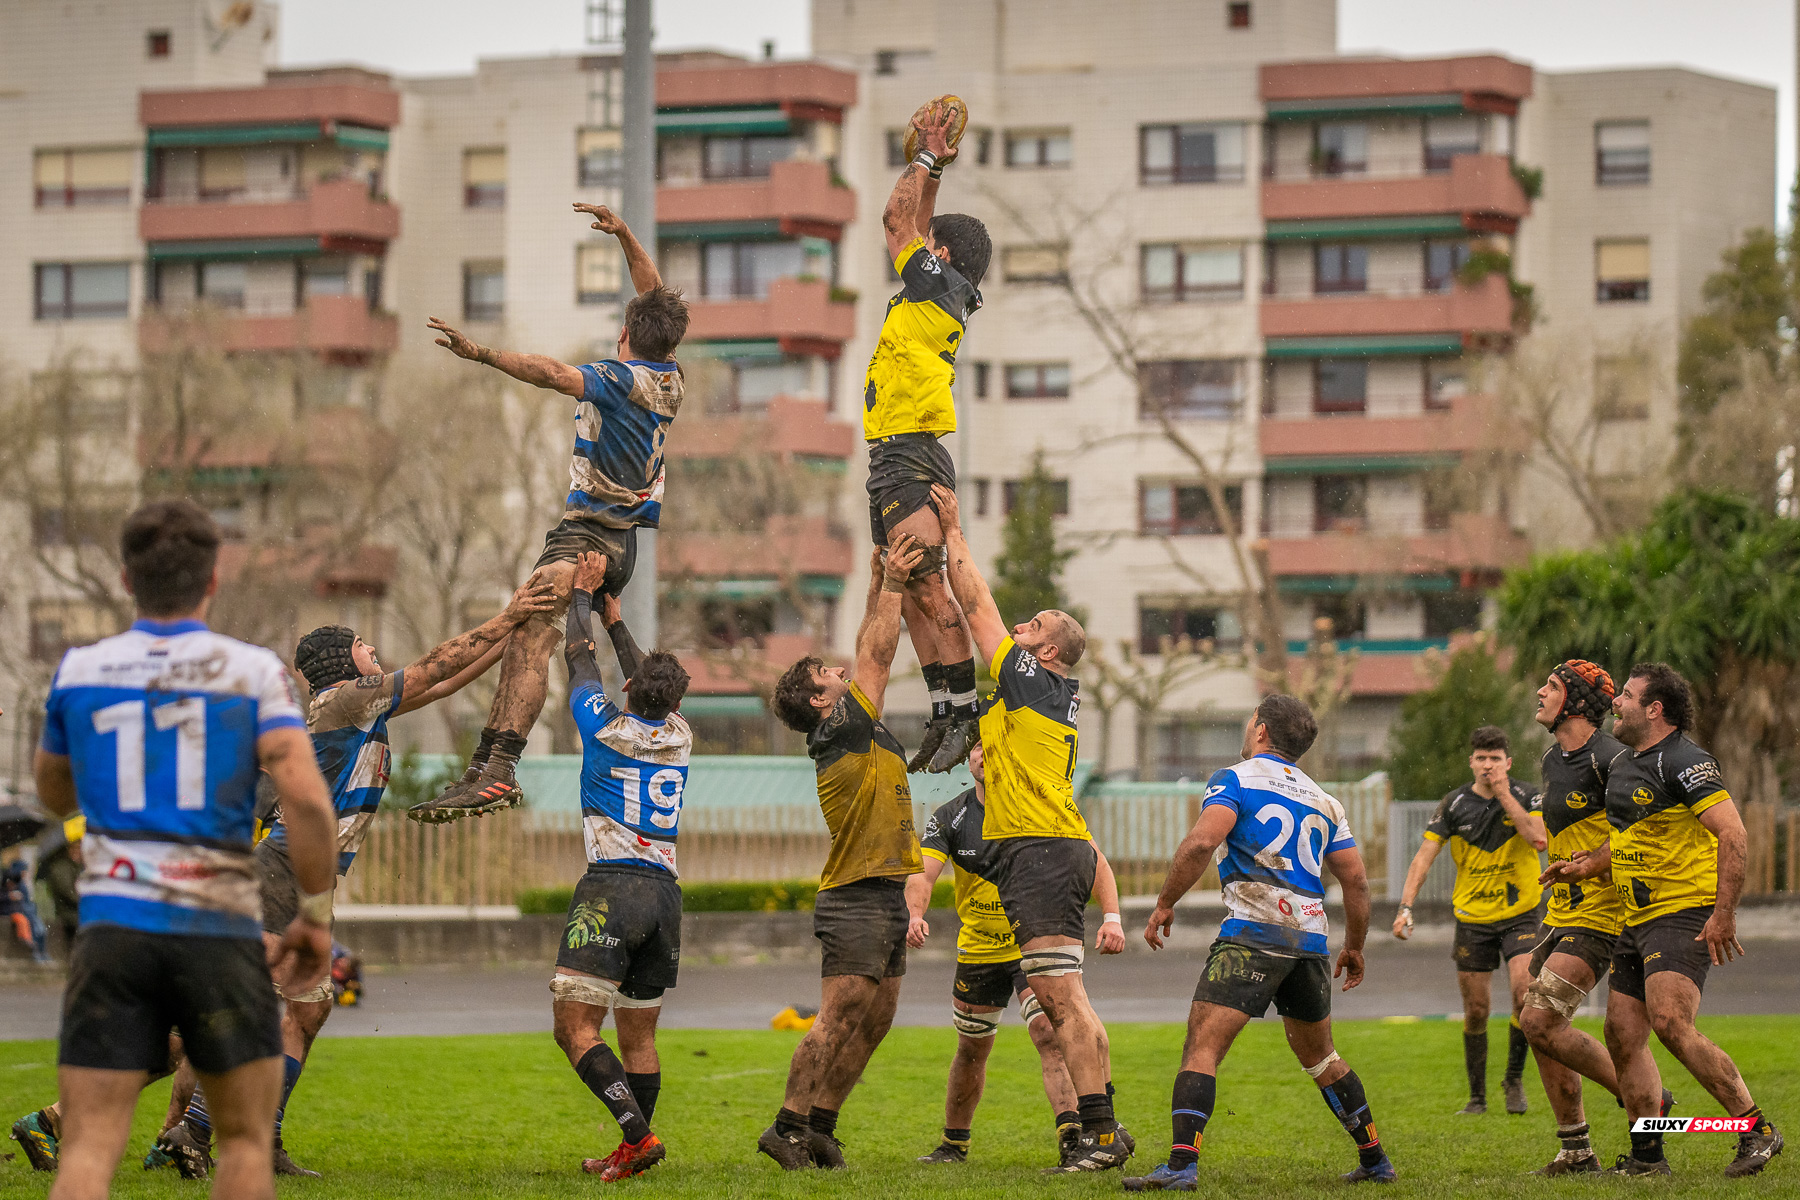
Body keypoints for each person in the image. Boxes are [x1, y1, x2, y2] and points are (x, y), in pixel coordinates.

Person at [148, 580, 556, 1178]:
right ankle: (193, 1126)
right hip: (283, 866)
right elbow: (424, 672)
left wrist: (510, 643)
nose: (374, 652)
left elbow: (441, 683)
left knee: (308, 1013)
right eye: (364, 645)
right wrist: (507, 615)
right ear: (345, 663)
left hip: (312, 879)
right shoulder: (342, 699)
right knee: (257, 1003)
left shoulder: (362, 710)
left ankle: (257, 1138)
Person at [29, 499, 338, 1200]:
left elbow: (53, 791)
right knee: (244, 1148)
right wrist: (314, 917)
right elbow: (309, 802)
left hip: (115, 930)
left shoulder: (80, 669)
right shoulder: (253, 672)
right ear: (214, 580)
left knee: (86, 1151)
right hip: (219, 930)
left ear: (125, 578)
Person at [409, 202, 689, 824]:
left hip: (590, 535)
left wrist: (481, 353)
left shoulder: (617, 380)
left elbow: (552, 373)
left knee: (532, 627)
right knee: (526, 626)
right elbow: (656, 299)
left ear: (624, 336)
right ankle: (489, 766)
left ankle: (498, 770)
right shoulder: (669, 374)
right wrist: (624, 237)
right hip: (620, 543)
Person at [929, 483, 1132, 1173]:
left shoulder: (1031, 680)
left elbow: (978, 607)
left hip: (1043, 853)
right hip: (1054, 848)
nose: (1022, 626)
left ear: (1047, 652)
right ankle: (1106, 1128)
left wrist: (954, 534)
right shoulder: (1036, 696)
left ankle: (1098, 1137)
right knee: (1064, 999)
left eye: (1034, 625)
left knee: (1062, 1003)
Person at [1127, 696, 1395, 1191]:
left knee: (1202, 1048)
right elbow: (1356, 882)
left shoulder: (1235, 778)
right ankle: (1375, 1159)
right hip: (1310, 941)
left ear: (1261, 729)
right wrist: (1354, 946)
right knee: (1323, 1058)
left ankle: (1182, 1165)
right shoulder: (1325, 800)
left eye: (1250, 718)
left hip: (1253, 934)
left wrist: (1164, 903)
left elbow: (1203, 843)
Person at [1543, 663, 1782, 1178]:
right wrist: (1585, 864)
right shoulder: (1627, 762)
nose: (1617, 704)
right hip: (1636, 918)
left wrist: (1723, 914)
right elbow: (1629, 837)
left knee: (1672, 1022)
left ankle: (1755, 1129)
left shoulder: (1685, 761)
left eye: (1626, 696)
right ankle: (1649, 1156)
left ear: (1654, 710)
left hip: (1682, 913)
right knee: (1622, 1034)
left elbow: (1734, 835)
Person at [762, 535, 928, 1170]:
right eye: (829, 675)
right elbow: (878, 653)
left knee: (877, 1018)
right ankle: (786, 1127)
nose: (842, 671)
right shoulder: (841, 725)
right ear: (818, 701)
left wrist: (881, 575)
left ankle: (821, 1125)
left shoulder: (850, 720)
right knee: (837, 1018)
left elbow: (865, 640)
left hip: (884, 892)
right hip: (854, 896)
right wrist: (890, 586)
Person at [908, 736, 1128, 1168]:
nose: (984, 754)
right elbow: (923, 873)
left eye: (992, 746)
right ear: (967, 760)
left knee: (1050, 1033)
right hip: (978, 948)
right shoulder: (950, 816)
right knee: (971, 1049)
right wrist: (915, 914)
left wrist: (1112, 917)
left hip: (1032, 943)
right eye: (976, 748)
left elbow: (1094, 859)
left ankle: (1074, 1133)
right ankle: (954, 1144)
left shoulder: (1041, 805)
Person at [550, 551, 692, 1181]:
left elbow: (579, 661)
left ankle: (637, 1138)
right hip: (665, 896)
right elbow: (645, 680)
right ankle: (637, 1147)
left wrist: (582, 598)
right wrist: (616, 620)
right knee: (638, 1034)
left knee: (574, 1028)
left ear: (631, 690)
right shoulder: (681, 732)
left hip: (611, 887)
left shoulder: (604, 728)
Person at [864, 99, 992, 774]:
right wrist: (935, 165)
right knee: (908, 587)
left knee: (926, 586)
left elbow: (894, 220)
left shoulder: (938, 284)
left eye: (927, 239)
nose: (917, 240)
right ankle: (946, 713)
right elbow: (915, 220)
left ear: (939, 254)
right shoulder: (938, 286)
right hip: (892, 453)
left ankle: (966, 717)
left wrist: (921, 158)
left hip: (913, 450)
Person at [1517, 661, 1650, 1174]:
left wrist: (1589, 865)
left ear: (1574, 701)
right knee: (1539, 1028)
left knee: (1539, 1018)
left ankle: (1642, 1098)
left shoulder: (1611, 758)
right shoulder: (1553, 758)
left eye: (1550, 686)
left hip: (1605, 914)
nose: (1539, 690)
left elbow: (1636, 831)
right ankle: (1576, 1150)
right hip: (1560, 913)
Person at [1391, 725, 1544, 1115]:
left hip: (1521, 913)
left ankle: (1513, 1078)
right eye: (1481, 758)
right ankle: (1477, 1098)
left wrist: (1504, 792)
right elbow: (1423, 858)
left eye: (1495, 758)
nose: (1487, 765)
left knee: (1524, 995)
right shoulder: (1454, 804)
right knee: (1476, 1009)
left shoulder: (1528, 795)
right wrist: (1405, 906)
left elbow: (1538, 839)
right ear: (1471, 762)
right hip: (1473, 918)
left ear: (1507, 763)